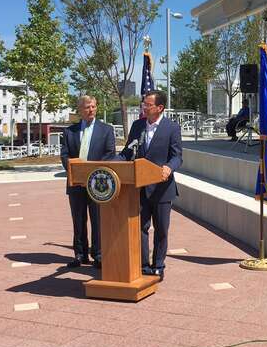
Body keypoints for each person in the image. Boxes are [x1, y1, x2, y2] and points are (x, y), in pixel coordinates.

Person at [120, 90, 182, 280]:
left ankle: (158, 265)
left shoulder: (172, 128)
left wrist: (169, 168)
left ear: (159, 107)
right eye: (143, 104)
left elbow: (177, 156)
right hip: (140, 187)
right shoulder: (138, 125)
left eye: (148, 105)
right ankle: (143, 264)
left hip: (162, 188)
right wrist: (111, 163)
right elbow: (127, 152)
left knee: (161, 229)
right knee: (141, 228)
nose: (144, 107)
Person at [60, 95, 116, 269]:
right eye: (87, 107)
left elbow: (110, 154)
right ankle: (80, 254)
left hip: (98, 184)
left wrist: (92, 174)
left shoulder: (106, 130)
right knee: (78, 220)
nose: (91, 110)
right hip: (76, 183)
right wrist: (75, 173)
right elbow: (65, 155)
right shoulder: (70, 132)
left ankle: (98, 254)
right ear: (80, 110)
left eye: (93, 106)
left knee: (97, 220)